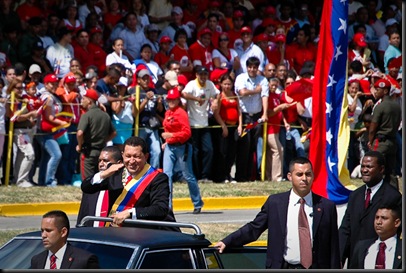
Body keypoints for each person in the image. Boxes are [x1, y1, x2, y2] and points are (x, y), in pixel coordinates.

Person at [214, 157, 340, 269]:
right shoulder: (275, 203)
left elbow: (333, 247)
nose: (304, 179)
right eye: (299, 174)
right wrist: (227, 241)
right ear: (290, 176)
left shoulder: (326, 206)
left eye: (308, 174)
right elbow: (254, 228)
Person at [81, 136, 179, 230]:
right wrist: (104, 174)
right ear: (122, 155)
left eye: (136, 157)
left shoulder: (157, 178)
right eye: (128, 156)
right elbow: (87, 188)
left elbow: (160, 208)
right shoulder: (115, 172)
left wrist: (130, 213)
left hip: (141, 233)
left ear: (146, 156)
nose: (131, 161)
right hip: (114, 231)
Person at [338, 151, 402, 267]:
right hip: (355, 259)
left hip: (379, 259)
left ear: (381, 169)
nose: (364, 170)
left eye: (369, 167)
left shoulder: (392, 196)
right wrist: (340, 257)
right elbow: (346, 229)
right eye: (362, 166)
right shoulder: (355, 195)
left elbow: (396, 230)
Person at [161, 87, 204, 214]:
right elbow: (168, 128)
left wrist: (172, 136)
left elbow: (187, 133)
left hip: (182, 146)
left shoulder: (181, 113)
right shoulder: (168, 113)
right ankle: (168, 206)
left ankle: (197, 202)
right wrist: (167, 141)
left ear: (178, 100)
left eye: (174, 99)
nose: (171, 102)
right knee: (166, 175)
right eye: (169, 100)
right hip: (170, 146)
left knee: (188, 175)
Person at [181, 65, 220, 182]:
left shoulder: (209, 84)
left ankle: (205, 176)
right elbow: (184, 94)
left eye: (205, 74)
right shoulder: (192, 84)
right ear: (196, 75)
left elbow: (217, 93)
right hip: (193, 123)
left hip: (204, 123)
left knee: (209, 150)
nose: (203, 77)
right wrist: (197, 99)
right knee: (195, 152)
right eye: (201, 74)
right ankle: (196, 176)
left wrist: (215, 102)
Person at [234, 56, 268, 182]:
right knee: (244, 146)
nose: (252, 69)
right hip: (244, 116)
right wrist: (256, 90)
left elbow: (264, 96)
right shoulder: (241, 78)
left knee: (253, 147)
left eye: (255, 67)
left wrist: (264, 114)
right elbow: (242, 92)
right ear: (247, 67)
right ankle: (240, 176)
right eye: (250, 67)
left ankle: (250, 175)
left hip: (257, 116)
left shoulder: (262, 79)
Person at [30, 210, 99, 269]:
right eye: (42, 231)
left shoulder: (84, 260)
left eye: (48, 231)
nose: (43, 235)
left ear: (63, 232)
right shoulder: (37, 260)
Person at [76, 88, 116, 181]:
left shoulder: (87, 115)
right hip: (101, 151)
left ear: (89, 100)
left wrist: (80, 145)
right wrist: (104, 141)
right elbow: (114, 133)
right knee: (99, 178)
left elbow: (80, 133)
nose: (82, 101)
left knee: (87, 180)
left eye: (83, 98)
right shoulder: (105, 115)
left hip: (88, 152)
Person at [367, 78, 401, 189]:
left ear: (385, 91)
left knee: (373, 168)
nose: (376, 91)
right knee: (390, 172)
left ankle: (373, 193)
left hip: (380, 142)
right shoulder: (397, 106)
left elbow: (373, 126)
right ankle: (395, 195)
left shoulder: (380, 106)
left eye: (378, 89)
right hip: (393, 141)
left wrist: (370, 141)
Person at [77, 145, 123, 227]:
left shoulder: (122, 184)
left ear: (118, 163)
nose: (101, 164)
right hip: (92, 234)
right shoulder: (93, 183)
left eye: (105, 161)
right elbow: (83, 212)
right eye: (99, 161)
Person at [349, 204, 402, 269]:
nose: (378, 222)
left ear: (396, 223)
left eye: (384, 218)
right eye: (377, 217)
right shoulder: (362, 247)